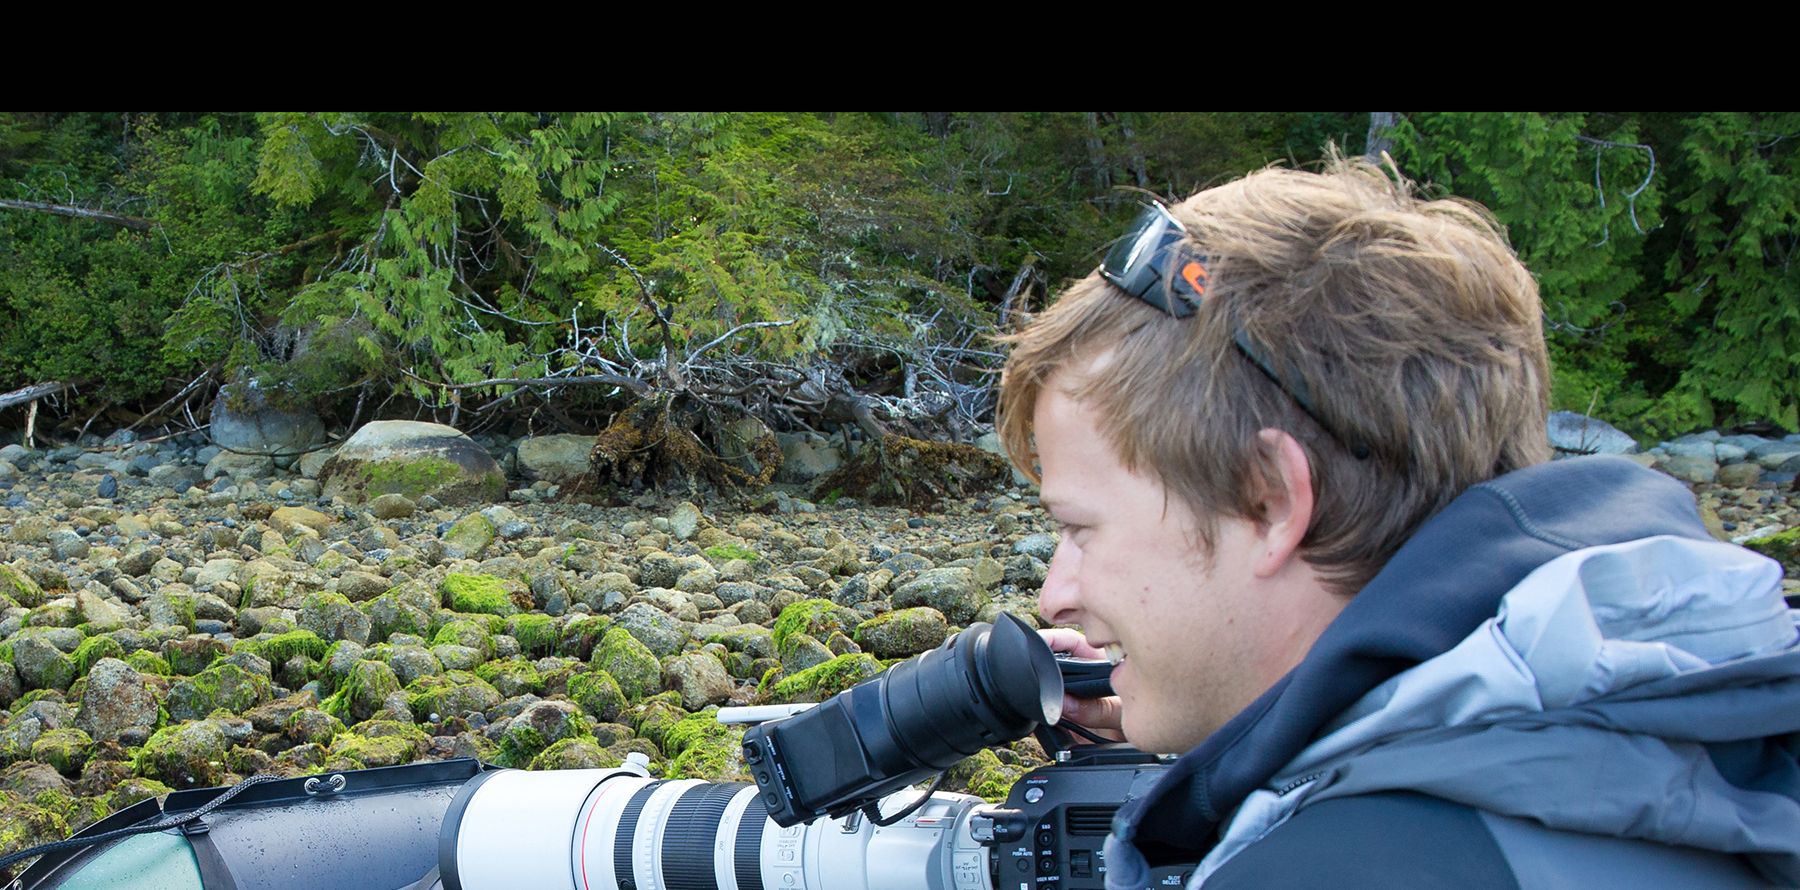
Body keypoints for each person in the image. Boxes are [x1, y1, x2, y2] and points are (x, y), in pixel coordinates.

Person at [996, 157, 1800, 888]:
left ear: (1270, 501)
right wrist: (1231, 734)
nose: (1056, 596)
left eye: (1080, 529)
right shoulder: (1708, 709)